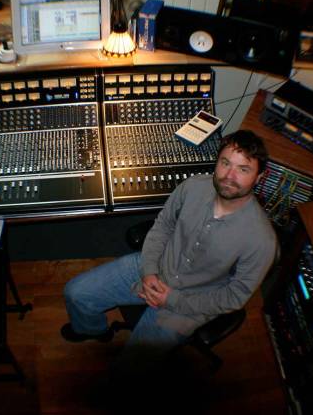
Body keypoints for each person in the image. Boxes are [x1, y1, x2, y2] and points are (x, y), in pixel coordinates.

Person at [61, 129, 277, 376]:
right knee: (76, 293)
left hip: (190, 302)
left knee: (125, 374)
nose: (229, 175)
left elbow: (235, 296)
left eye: (243, 169)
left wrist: (172, 300)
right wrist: (150, 270)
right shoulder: (193, 187)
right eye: (225, 163)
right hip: (155, 266)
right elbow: (162, 226)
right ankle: (95, 331)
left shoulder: (262, 240)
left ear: (259, 176)